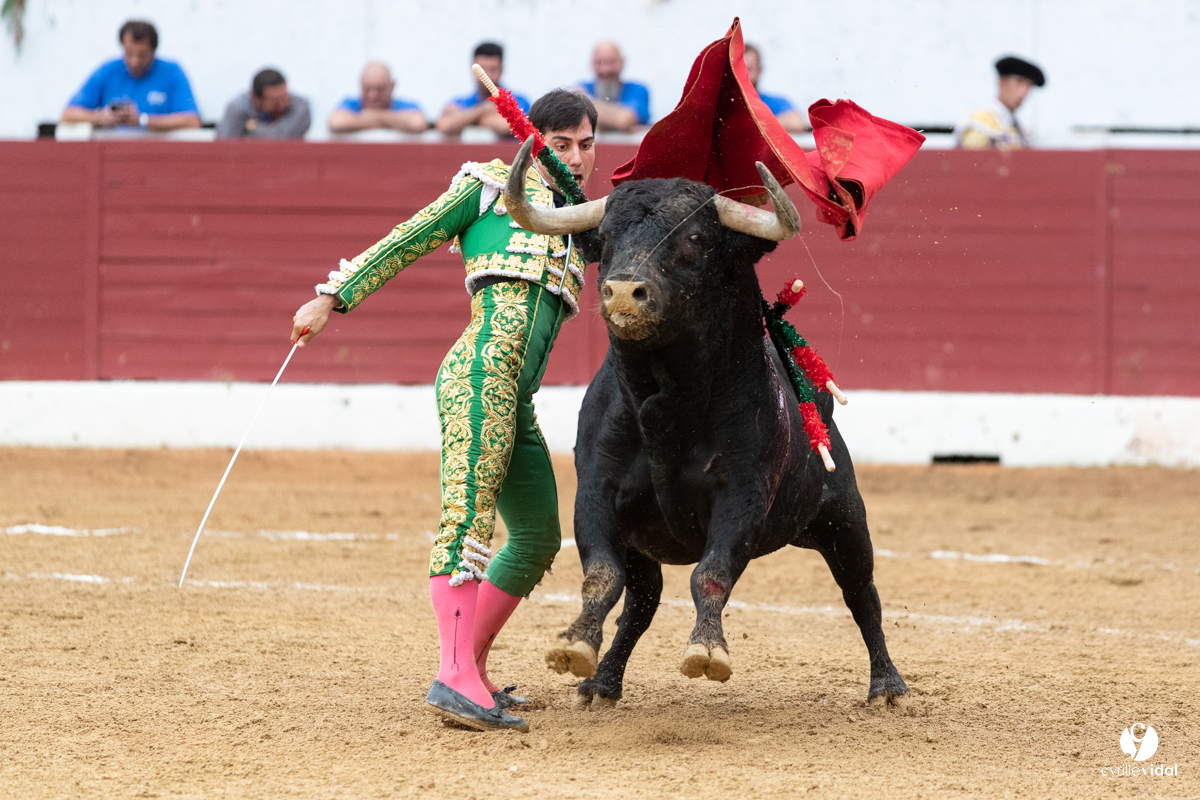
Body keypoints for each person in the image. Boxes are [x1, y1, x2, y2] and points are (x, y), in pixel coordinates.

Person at [290, 90, 597, 732]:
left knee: (538, 533)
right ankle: (452, 675)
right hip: (480, 372)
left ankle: (471, 666)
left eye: (586, 144)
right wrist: (332, 297)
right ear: (533, 141)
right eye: (561, 143)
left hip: (517, 392)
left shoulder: (582, 218)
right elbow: (409, 238)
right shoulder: (487, 186)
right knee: (468, 521)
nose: (576, 156)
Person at [61, 20, 200, 132]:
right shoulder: (108, 71)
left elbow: (192, 121)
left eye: (142, 55)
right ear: (122, 46)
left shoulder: (172, 72)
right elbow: (68, 115)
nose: (135, 61)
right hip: (113, 154)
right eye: (129, 54)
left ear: (153, 50)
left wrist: (142, 120)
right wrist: (100, 117)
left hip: (158, 156)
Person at [435, 42, 529, 137]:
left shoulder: (519, 101)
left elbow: (505, 126)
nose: (486, 76)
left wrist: (463, 120)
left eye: (492, 69)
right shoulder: (460, 102)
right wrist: (485, 110)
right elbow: (444, 126)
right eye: (481, 70)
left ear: (501, 70)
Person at [955, 56, 1046, 150]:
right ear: (1001, 81)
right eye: (1019, 82)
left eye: (1029, 85)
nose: (1023, 92)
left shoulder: (1023, 131)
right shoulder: (979, 124)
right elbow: (971, 162)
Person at [327, 62, 427, 134]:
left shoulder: (405, 106)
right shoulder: (351, 103)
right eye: (367, 89)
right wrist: (392, 121)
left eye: (379, 89)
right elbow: (336, 122)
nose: (372, 96)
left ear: (392, 86)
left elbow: (418, 123)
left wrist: (374, 117)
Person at [216, 68, 311, 139]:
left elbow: (284, 137)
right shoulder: (238, 108)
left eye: (285, 97)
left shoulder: (299, 106)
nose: (282, 105)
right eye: (276, 102)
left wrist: (255, 128)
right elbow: (225, 144)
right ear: (256, 99)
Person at [579, 40, 649, 132]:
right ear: (592, 64)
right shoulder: (584, 86)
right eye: (599, 63)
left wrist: (584, 104)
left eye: (611, 62)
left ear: (622, 62)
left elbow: (624, 120)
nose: (605, 69)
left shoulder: (637, 90)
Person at [743, 44, 807, 133]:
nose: (742, 75)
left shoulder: (773, 103)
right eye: (738, 70)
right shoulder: (721, 103)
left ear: (759, 70)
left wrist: (749, 125)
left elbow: (796, 122)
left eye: (748, 69)